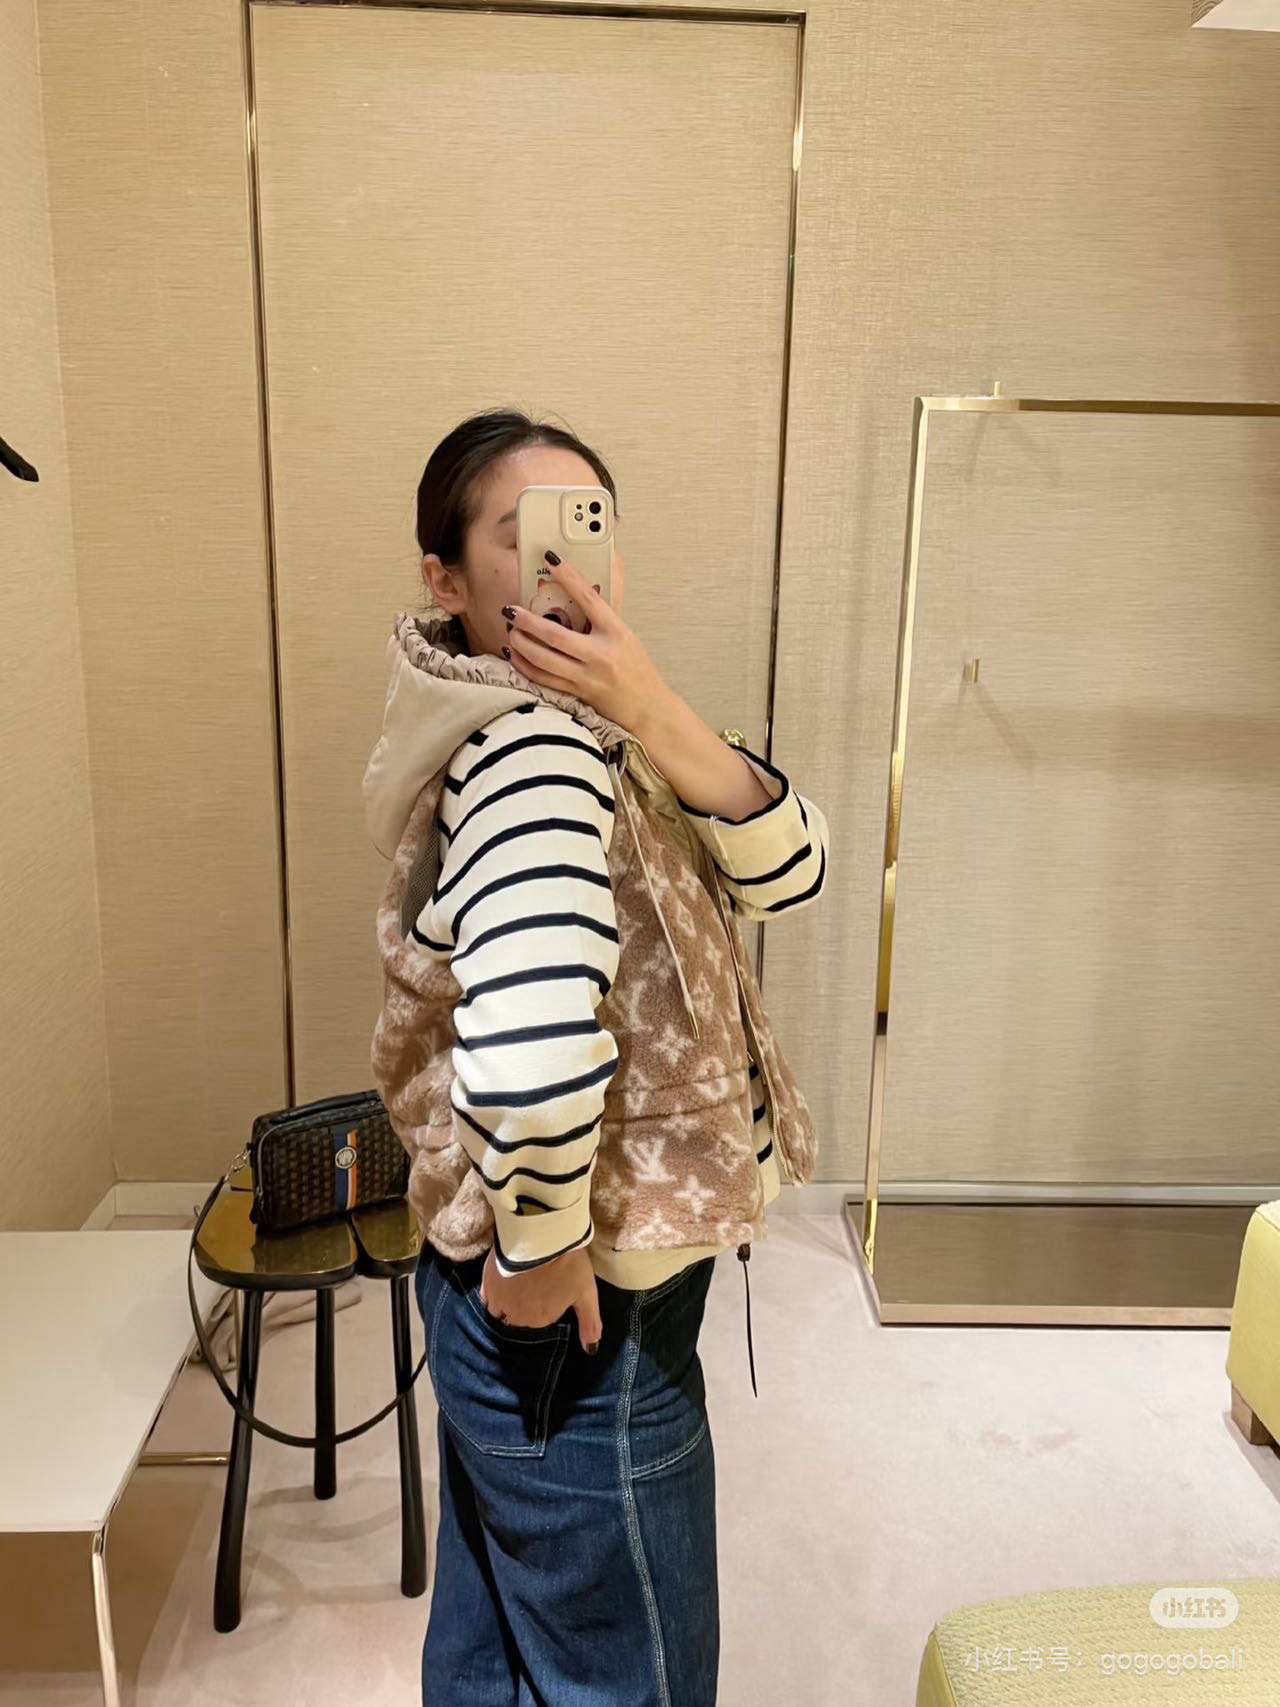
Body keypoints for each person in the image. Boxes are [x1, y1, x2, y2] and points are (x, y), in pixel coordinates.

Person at [364, 408, 829, 1706]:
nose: (569, 569)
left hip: (526, 1290)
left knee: (497, 1646)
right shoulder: (535, 751)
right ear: (446, 581)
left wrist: (652, 704)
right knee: (630, 1676)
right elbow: (527, 1045)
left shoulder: (598, 732)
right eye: (527, 538)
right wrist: (542, 1249)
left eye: (589, 531)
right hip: (583, 1309)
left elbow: (791, 870)